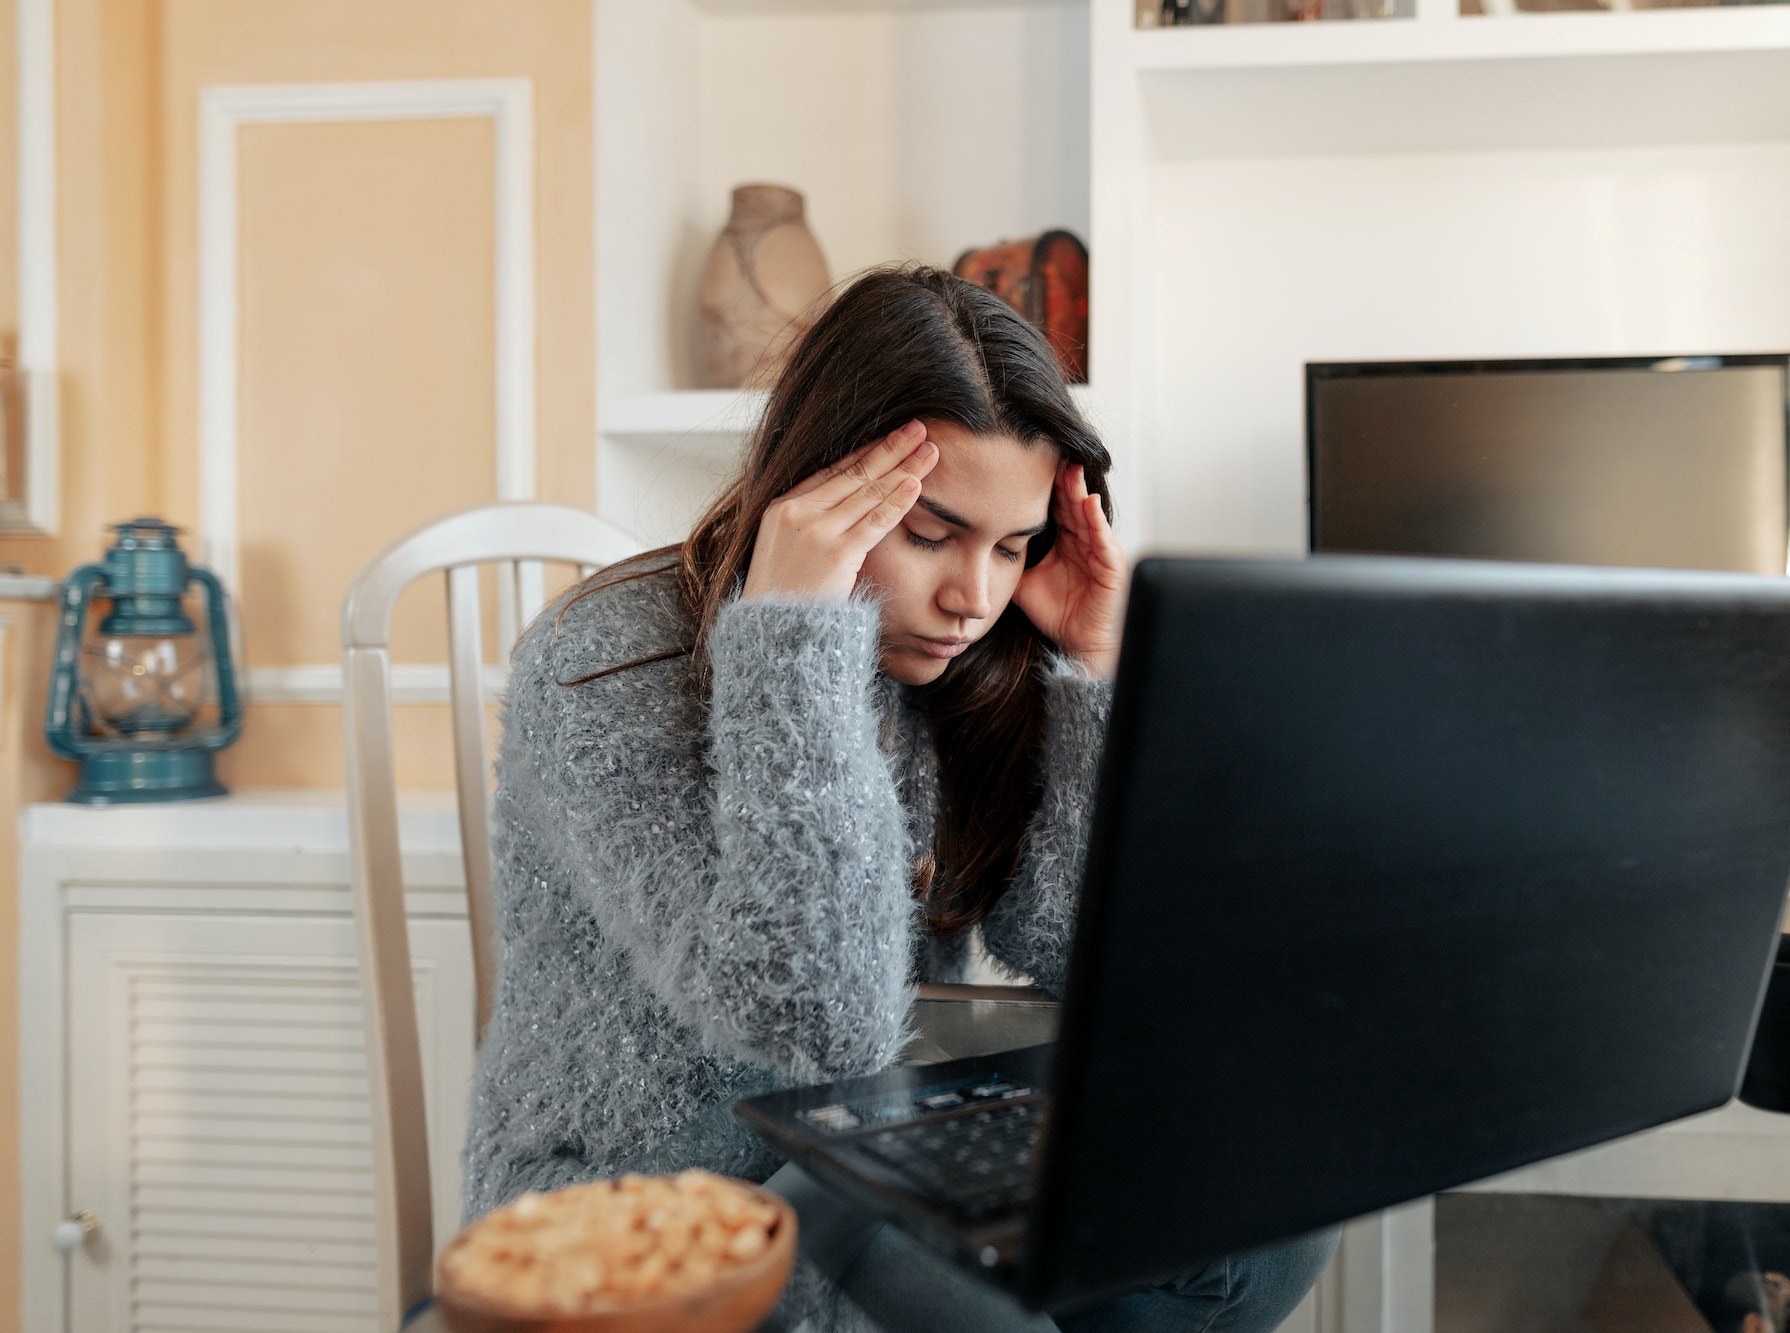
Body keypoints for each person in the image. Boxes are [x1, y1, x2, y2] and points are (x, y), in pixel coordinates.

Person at [460, 264, 1335, 1331]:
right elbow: (815, 1022)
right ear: (815, 487)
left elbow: (1105, 967)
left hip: (880, 1157)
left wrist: (1089, 671)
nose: (971, 597)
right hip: (658, 1204)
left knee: (1277, 1205)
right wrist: (791, 647)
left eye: (1012, 546)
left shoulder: (967, 655)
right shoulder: (599, 664)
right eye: (929, 534)